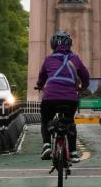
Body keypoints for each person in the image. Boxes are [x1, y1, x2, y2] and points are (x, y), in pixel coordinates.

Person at [36, 30, 90, 164]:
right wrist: (83, 87)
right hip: (70, 98)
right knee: (70, 122)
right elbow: (85, 76)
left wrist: (40, 85)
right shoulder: (75, 59)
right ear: (70, 44)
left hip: (50, 97)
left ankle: (47, 145)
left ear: (53, 45)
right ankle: (73, 152)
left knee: (45, 120)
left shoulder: (48, 59)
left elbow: (41, 77)